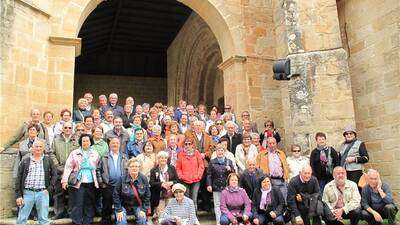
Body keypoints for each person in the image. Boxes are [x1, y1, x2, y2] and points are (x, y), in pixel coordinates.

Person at [15, 140, 57, 225]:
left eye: (40, 146)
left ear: (43, 148)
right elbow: (18, 179)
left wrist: (49, 189)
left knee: (44, 220)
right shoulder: (25, 161)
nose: (38, 148)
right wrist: (19, 195)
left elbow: (54, 175)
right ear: (32, 148)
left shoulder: (48, 160)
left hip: (43, 193)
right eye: (36, 146)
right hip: (27, 193)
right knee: (21, 219)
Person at [61, 134, 100, 225]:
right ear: (80, 142)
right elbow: (68, 167)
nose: (85, 142)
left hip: (91, 182)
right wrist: (65, 180)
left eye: (87, 141)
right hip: (78, 182)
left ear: (91, 142)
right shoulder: (74, 153)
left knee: (89, 204)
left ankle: (88, 222)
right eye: (83, 141)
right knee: (77, 204)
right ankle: (77, 222)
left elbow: (98, 167)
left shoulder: (95, 153)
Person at [49, 121, 79, 219]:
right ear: (62, 129)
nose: (67, 129)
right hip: (59, 169)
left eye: (70, 128)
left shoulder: (76, 140)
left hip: (72, 171)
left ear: (72, 129)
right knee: (59, 192)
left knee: (72, 192)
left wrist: (73, 168)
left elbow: (79, 154)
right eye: (65, 127)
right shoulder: (56, 139)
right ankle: (58, 212)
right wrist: (58, 166)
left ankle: (71, 212)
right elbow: (51, 153)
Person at [96, 138, 128, 225]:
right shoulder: (104, 157)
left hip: (121, 186)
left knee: (120, 206)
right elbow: (98, 170)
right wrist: (101, 183)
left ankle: (120, 222)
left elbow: (127, 170)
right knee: (106, 207)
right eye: (113, 143)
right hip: (108, 185)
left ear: (119, 144)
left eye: (117, 143)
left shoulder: (124, 156)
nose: (115, 145)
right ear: (109, 145)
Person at [113, 158, 150, 225]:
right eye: (132, 166)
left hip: (138, 205)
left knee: (142, 220)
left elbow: (147, 195)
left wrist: (143, 210)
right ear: (128, 168)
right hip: (123, 205)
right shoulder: (122, 179)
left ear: (139, 168)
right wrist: (119, 210)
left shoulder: (143, 178)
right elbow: (116, 195)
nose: (134, 168)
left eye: (136, 166)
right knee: (121, 221)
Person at [207, 143, 235, 224]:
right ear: (216, 152)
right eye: (218, 150)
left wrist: (230, 169)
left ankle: (227, 221)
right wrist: (209, 185)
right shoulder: (212, 162)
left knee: (228, 204)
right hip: (216, 186)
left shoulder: (228, 161)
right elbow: (209, 174)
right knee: (217, 204)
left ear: (224, 151)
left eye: (222, 150)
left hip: (227, 187)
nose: (220, 152)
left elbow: (234, 174)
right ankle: (219, 222)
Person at [175, 138, 205, 210]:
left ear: (192, 145)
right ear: (183, 145)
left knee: (194, 199)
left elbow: (201, 165)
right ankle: (187, 217)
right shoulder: (181, 154)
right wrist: (181, 176)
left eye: (189, 144)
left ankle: (194, 217)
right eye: (186, 144)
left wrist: (199, 176)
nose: (187, 145)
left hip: (196, 180)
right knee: (186, 199)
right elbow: (178, 168)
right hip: (184, 180)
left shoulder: (197, 153)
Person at [150, 151, 178, 218]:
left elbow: (177, 180)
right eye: (161, 158)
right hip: (159, 197)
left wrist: (172, 182)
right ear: (158, 159)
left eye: (165, 158)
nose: (163, 159)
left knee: (171, 215)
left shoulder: (172, 168)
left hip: (171, 195)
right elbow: (151, 183)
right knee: (161, 216)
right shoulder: (154, 170)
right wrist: (161, 184)